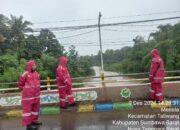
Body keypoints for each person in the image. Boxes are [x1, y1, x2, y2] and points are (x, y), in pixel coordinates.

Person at [18, 60, 42, 130]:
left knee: (35, 109)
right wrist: (26, 91)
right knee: (27, 111)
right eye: (33, 65)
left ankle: (34, 121)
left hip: (36, 96)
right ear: (30, 66)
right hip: (28, 97)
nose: (35, 66)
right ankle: (28, 125)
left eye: (35, 65)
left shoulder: (37, 73)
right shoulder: (25, 74)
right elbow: (20, 84)